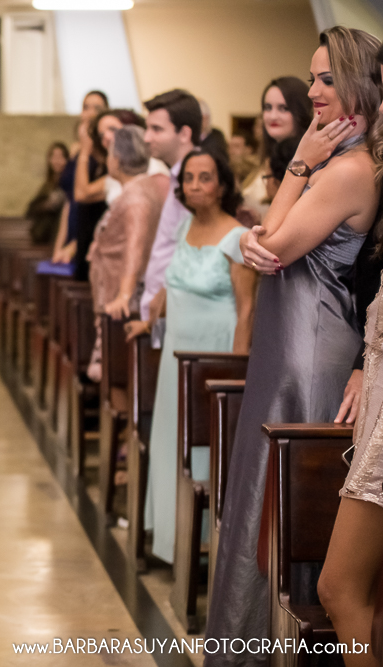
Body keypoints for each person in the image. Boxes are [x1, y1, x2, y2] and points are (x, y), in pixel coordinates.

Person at [206, 27, 383, 665]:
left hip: (312, 348)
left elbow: (274, 244)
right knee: (260, 492)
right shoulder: (338, 164)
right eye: (311, 78)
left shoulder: (350, 169)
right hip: (287, 342)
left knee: (286, 505)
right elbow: (266, 243)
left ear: (362, 86)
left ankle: (281, 652)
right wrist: (266, 237)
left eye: (328, 79)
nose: (314, 92)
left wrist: (299, 163)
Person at [137, 148, 256, 565]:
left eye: (205, 177)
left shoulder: (237, 237)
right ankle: (172, 543)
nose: (194, 185)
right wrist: (152, 314)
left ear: (222, 184)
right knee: (171, 440)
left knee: (205, 447)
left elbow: (247, 309)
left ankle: (205, 549)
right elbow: (178, 282)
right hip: (176, 354)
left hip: (215, 352)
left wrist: (237, 370)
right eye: (188, 178)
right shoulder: (185, 225)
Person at [137, 89, 202, 329]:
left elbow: (195, 252)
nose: (146, 137)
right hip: (162, 308)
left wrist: (161, 297)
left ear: (184, 133)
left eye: (157, 129)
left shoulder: (197, 182)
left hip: (175, 308)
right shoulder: (176, 175)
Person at [89, 126, 167, 321]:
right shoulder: (141, 187)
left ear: (117, 159)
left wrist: (124, 294)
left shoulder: (136, 197)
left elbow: (136, 245)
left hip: (124, 298)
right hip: (115, 287)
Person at [240, 77, 313, 224]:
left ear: (301, 113)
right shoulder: (266, 157)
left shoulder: (305, 162)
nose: (273, 116)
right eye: (268, 108)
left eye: (283, 108)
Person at [52, 91, 109, 279]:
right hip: (72, 227)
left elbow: (87, 198)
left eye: (97, 108)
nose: (90, 113)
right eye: (86, 107)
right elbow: (69, 202)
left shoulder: (104, 156)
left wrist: (74, 245)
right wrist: (59, 245)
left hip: (90, 232)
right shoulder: (75, 150)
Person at [25, 142, 68, 245]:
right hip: (45, 235)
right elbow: (30, 210)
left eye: (60, 157)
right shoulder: (47, 185)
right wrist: (47, 205)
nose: (57, 161)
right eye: (54, 157)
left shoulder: (70, 182)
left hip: (60, 234)